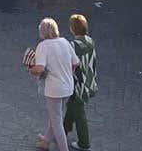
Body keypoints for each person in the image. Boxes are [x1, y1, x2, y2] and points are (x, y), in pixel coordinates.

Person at [27, 17, 80, 151]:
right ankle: (45, 141)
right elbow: (76, 63)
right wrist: (65, 72)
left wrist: (30, 70)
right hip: (68, 86)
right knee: (56, 115)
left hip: (54, 89)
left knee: (56, 122)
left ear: (43, 32)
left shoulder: (43, 46)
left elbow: (39, 68)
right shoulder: (65, 42)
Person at [64, 14, 97, 151]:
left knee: (79, 113)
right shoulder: (90, 41)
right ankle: (62, 130)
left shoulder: (73, 46)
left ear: (72, 29)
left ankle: (84, 143)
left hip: (78, 84)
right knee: (72, 107)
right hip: (89, 81)